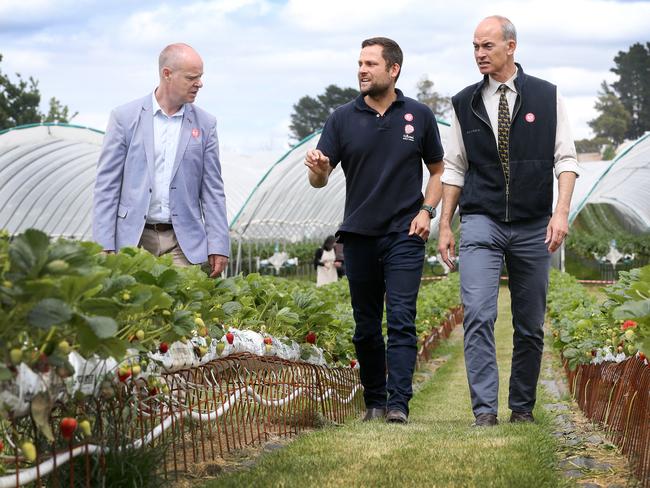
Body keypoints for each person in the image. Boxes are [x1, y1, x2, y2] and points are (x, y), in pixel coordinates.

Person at [437, 16, 579, 427]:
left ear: (511, 47)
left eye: (487, 46)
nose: (480, 54)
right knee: (478, 313)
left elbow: (566, 159)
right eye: (475, 47)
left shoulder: (547, 96)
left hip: (535, 222)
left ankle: (521, 408)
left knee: (530, 324)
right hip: (482, 219)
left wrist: (561, 212)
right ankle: (484, 412)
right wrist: (445, 223)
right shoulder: (463, 102)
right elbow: (454, 168)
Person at [305, 37, 444, 424]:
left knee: (401, 318)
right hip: (359, 236)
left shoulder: (419, 115)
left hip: (404, 233)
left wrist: (427, 211)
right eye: (359, 63)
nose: (362, 70)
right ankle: (375, 401)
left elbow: (437, 171)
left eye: (370, 64)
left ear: (393, 69)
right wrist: (317, 170)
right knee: (366, 327)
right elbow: (321, 178)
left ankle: (398, 404)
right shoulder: (342, 118)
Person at [93, 43, 229, 277]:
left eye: (200, 77)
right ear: (167, 74)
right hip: (134, 239)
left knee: (183, 309)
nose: (199, 83)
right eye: (191, 77)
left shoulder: (206, 124)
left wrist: (218, 244)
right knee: (135, 311)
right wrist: (104, 243)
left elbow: (213, 190)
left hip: (183, 243)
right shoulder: (124, 118)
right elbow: (107, 186)